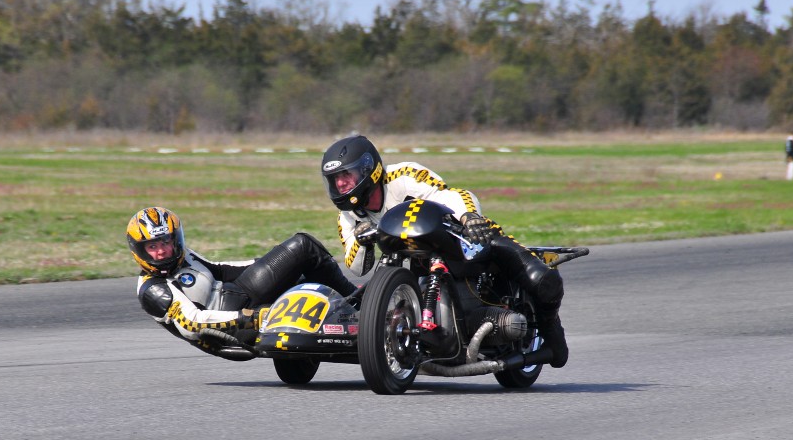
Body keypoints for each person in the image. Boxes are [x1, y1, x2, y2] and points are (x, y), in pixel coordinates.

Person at [319, 135, 569, 368]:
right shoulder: (347, 216)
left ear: (367, 169)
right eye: (335, 179)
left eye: (346, 175)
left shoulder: (403, 176)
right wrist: (362, 242)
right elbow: (356, 267)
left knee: (543, 280)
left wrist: (469, 216)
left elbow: (448, 195)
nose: (340, 183)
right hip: (412, 261)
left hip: (460, 238)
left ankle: (550, 328)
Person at [126, 206, 357, 357]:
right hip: (235, 323)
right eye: (152, 246)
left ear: (175, 239)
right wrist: (251, 318)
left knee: (303, 280)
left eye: (165, 242)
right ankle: (358, 303)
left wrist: (266, 263)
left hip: (240, 295)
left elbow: (220, 270)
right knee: (304, 246)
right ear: (139, 250)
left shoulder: (183, 257)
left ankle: (350, 321)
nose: (162, 251)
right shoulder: (153, 289)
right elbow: (192, 324)